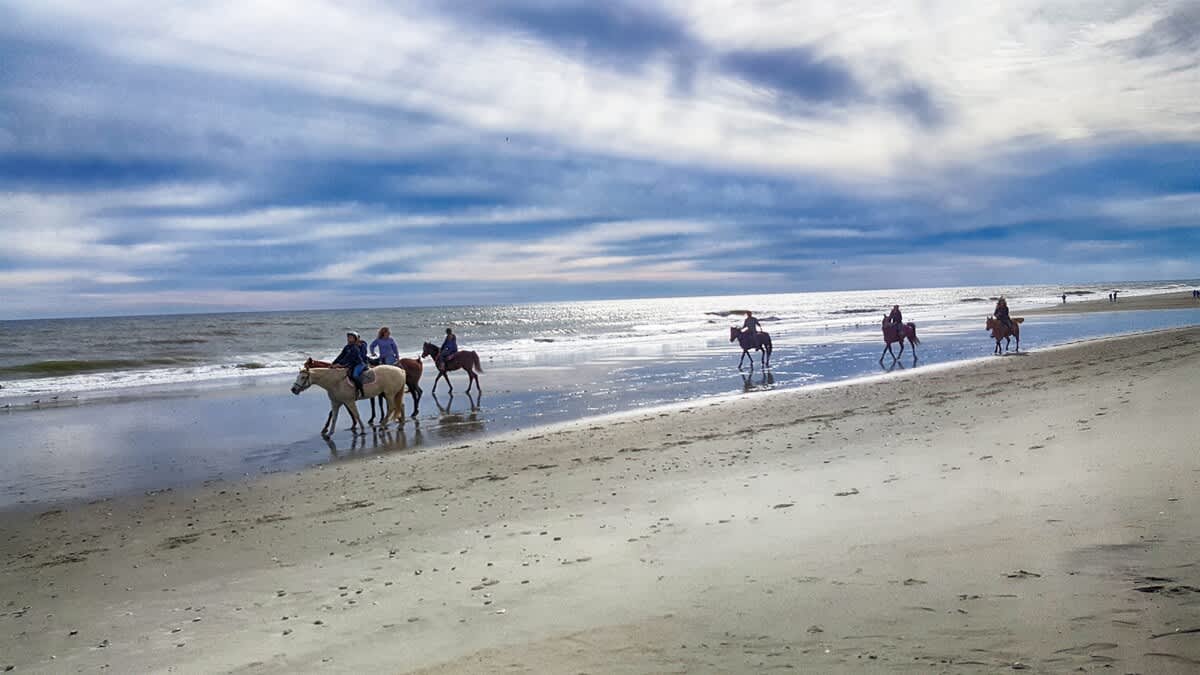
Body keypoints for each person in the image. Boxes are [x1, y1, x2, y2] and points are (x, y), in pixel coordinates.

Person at [332, 331, 369, 399]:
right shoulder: (347, 347)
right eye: (348, 337)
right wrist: (333, 363)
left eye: (351, 337)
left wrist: (340, 364)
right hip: (351, 364)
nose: (349, 339)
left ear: (355, 339)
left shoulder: (355, 348)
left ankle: (361, 391)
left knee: (354, 375)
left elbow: (349, 358)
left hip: (359, 364)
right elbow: (341, 356)